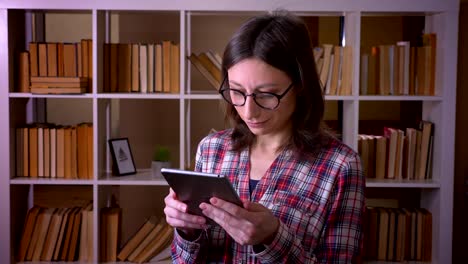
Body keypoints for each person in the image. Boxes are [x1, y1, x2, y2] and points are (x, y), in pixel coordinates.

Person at [163, 10, 365, 263]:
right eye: (237, 92)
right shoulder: (212, 149)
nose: (249, 111)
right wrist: (186, 230)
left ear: (300, 86)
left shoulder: (341, 166)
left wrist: (273, 238)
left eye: (267, 94)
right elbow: (183, 260)